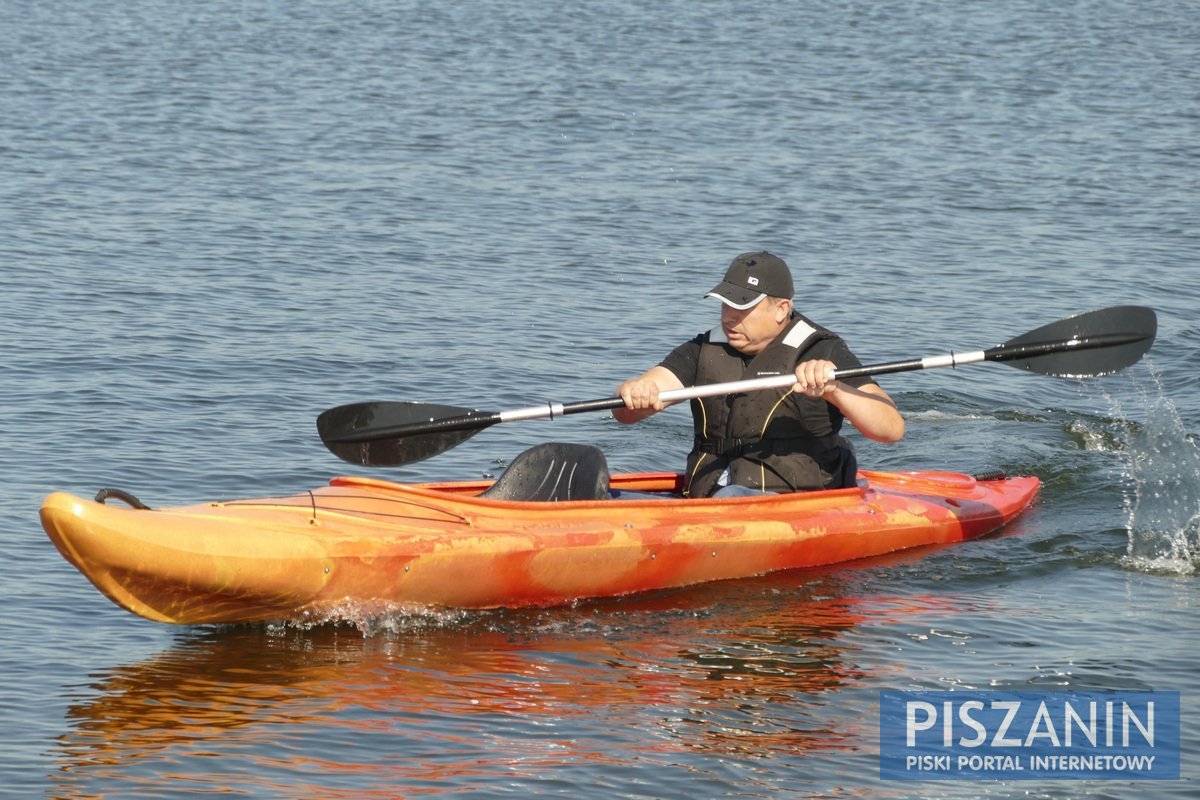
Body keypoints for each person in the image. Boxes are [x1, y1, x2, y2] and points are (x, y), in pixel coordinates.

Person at [614, 251, 904, 498]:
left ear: (781, 309)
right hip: (710, 492)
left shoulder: (822, 349)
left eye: (742, 307)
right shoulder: (701, 349)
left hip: (795, 498)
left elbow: (891, 429)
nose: (728, 316)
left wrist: (834, 390)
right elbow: (626, 412)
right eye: (726, 303)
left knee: (731, 498)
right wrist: (634, 391)